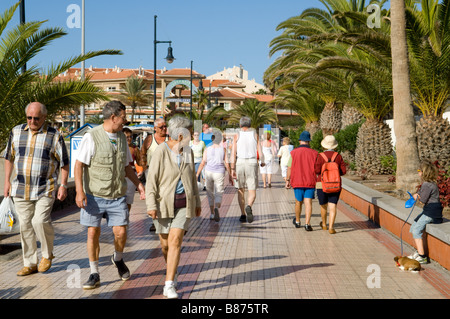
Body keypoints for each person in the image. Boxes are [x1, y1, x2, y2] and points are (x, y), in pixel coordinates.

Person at [74, 100, 145, 289]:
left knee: (121, 231)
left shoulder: (122, 137)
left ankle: (118, 258)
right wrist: (79, 192)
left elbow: (127, 167)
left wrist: (139, 185)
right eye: (123, 117)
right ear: (113, 117)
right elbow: (79, 165)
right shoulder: (92, 136)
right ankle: (94, 272)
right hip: (94, 195)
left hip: (117, 194)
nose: (125, 121)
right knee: (92, 232)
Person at [4, 102, 69, 276]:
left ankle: (47, 255)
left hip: (45, 188)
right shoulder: (16, 132)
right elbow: (8, 157)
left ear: (44, 117)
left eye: (36, 118)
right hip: (20, 188)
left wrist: (63, 185)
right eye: (29, 117)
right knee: (25, 226)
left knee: (39, 221)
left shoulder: (54, 135)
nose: (32, 121)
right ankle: (30, 263)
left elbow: (64, 163)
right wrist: (7, 182)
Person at [146, 116, 202, 299]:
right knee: (165, 245)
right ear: (180, 134)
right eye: (188, 132)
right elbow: (151, 181)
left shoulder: (188, 152)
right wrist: (151, 205)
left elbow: (192, 178)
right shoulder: (161, 152)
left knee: (175, 240)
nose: (191, 135)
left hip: (183, 204)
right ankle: (173, 270)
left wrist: (197, 202)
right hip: (163, 205)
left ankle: (169, 284)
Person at [230, 116, 264, 223]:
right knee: (252, 189)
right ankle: (249, 206)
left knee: (240, 189)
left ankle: (242, 214)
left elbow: (233, 153)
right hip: (252, 162)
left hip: (240, 162)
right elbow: (260, 151)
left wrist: (232, 168)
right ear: (250, 125)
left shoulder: (237, 135)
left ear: (240, 125)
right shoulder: (255, 135)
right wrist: (262, 161)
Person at [409, 161, 443, 264]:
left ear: (424, 173)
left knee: (416, 230)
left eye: (419, 170)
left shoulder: (427, 185)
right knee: (414, 226)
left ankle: (422, 256)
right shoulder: (430, 184)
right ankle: (419, 251)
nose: (418, 172)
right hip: (431, 210)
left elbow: (422, 199)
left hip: (431, 212)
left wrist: (416, 197)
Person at [196, 129, 232, 222]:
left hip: (208, 172)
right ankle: (217, 206)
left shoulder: (207, 149)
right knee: (219, 192)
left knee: (210, 193)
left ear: (212, 139)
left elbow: (203, 162)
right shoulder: (223, 149)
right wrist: (230, 175)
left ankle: (212, 213)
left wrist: (197, 174)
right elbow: (227, 163)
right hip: (219, 172)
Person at [139, 117, 168, 231]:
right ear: (155, 128)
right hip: (151, 171)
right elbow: (142, 153)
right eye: (161, 127)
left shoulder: (169, 138)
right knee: (153, 196)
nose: (164, 129)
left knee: (165, 195)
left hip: (166, 172)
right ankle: (154, 221)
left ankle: (164, 219)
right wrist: (144, 167)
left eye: (165, 126)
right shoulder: (149, 139)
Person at [314, 135, 346, 234]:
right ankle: (331, 227)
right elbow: (343, 171)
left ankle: (324, 224)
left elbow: (317, 170)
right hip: (335, 183)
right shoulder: (338, 156)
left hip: (321, 183)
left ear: (324, 145)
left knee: (323, 205)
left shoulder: (320, 156)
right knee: (333, 205)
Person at [286, 131, 317, 231]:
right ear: (309, 141)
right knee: (308, 202)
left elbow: (289, 167)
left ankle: (298, 221)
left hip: (297, 181)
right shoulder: (314, 153)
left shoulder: (293, 153)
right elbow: (317, 168)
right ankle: (307, 224)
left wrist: (287, 180)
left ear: (300, 141)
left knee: (298, 202)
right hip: (310, 181)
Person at [123, 127, 143, 212]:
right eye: (127, 137)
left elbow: (140, 162)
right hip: (120, 176)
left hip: (130, 177)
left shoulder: (134, 148)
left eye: (131, 136)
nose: (129, 138)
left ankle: (126, 218)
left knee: (128, 200)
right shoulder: (117, 146)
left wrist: (141, 170)